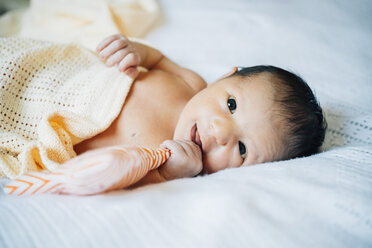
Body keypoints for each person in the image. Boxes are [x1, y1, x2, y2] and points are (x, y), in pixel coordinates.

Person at [71, 34, 327, 187]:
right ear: (226, 77)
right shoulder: (190, 83)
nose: (219, 131)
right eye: (231, 105)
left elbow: (118, 181)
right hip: (72, 81)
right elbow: (156, 59)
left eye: (242, 149)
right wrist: (136, 51)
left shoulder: (171, 166)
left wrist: (167, 175)